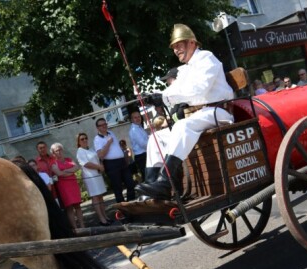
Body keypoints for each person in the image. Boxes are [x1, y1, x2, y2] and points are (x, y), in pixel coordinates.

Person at [136, 23, 234, 200]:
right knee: (156, 138)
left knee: (182, 126)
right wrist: (154, 96)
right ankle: (151, 189)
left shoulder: (206, 58)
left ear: (192, 42)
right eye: (173, 47)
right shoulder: (186, 69)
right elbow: (174, 91)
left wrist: (164, 99)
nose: (176, 50)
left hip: (218, 111)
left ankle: (166, 181)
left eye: (179, 45)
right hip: (201, 115)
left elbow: (199, 91)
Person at [93, 118, 136, 203]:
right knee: (118, 187)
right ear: (97, 128)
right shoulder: (97, 139)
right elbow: (101, 155)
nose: (104, 126)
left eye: (105, 124)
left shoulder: (111, 133)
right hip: (111, 164)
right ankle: (123, 209)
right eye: (101, 125)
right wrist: (108, 143)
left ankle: (130, 204)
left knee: (130, 183)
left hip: (121, 161)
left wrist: (124, 157)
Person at [75, 132, 112, 226]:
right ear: (78, 142)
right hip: (90, 177)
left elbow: (98, 159)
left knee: (100, 197)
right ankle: (101, 219)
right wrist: (98, 167)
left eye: (85, 138)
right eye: (82, 139)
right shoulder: (80, 151)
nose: (84, 140)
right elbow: (86, 164)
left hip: (97, 175)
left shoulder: (90, 149)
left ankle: (105, 216)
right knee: (95, 197)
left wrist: (101, 165)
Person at [50, 142, 85, 229]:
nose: (59, 152)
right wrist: (70, 170)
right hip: (64, 187)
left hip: (73, 184)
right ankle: (75, 228)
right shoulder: (53, 163)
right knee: (69, 207)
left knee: (78, 206)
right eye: (56, 151)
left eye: (60, 149)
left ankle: (83, 226)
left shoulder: (69, 159)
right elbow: (59, 173)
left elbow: (77, 167)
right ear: (53, 153)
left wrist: (65, 171)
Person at [128, 110, 148, 180]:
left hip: (144, 154)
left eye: (139, 116)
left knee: (149, 174)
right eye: (135, 117)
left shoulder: (139, 127)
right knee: (147, 175)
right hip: (141, 156)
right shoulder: (134, 130)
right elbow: (143, 144)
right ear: (131, 120)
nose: (138, 119)